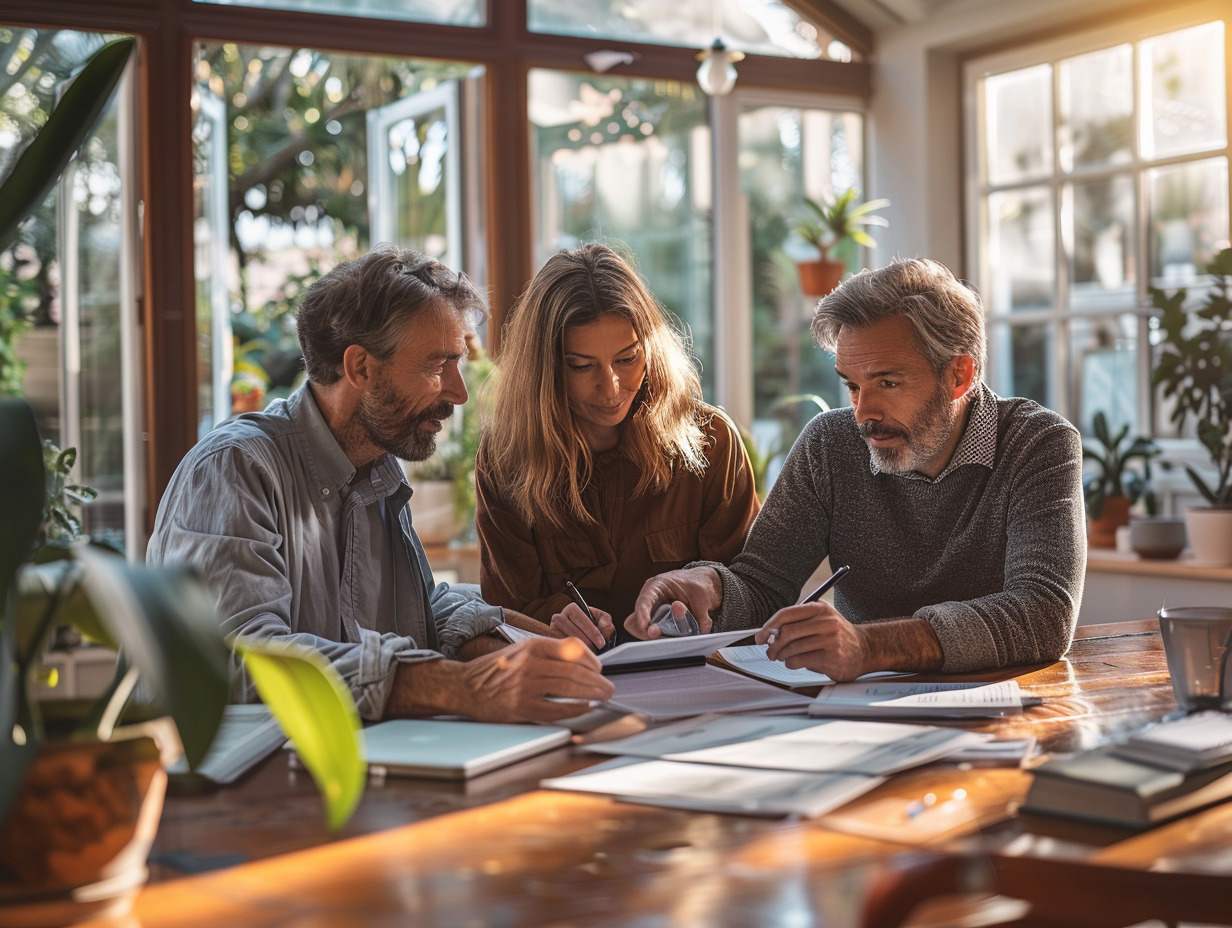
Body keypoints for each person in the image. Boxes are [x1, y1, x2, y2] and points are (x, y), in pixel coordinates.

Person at [148, 245, 614, 723]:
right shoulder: (235, 469)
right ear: (360, 368)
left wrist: (535, 647)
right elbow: (238, 660)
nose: (459, 392)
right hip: (225, 788)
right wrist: (459, 687)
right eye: (438, 366)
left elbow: (422, 610)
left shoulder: (377, 471)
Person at [629, 257, 1086, 677]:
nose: (863, 412)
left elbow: (1043, 613)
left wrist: (868, 647)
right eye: (852, 385)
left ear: (959, 376)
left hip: (1003, 708)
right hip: (859, 710)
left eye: (888, 382)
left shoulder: (1038, 444)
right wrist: (709, 586)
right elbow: (763, 584)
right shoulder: (829, 444)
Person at [475, 243, 760, 648]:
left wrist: (707, 592)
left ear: (651, 351)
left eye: (627, 359)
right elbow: (505, 613)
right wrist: (551, 620)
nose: (610, 387)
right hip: (568, 684)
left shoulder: (711, 441)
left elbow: (753, 593)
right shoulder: (505, 458)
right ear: (545, 370)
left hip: (698, 679)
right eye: (581, 365)